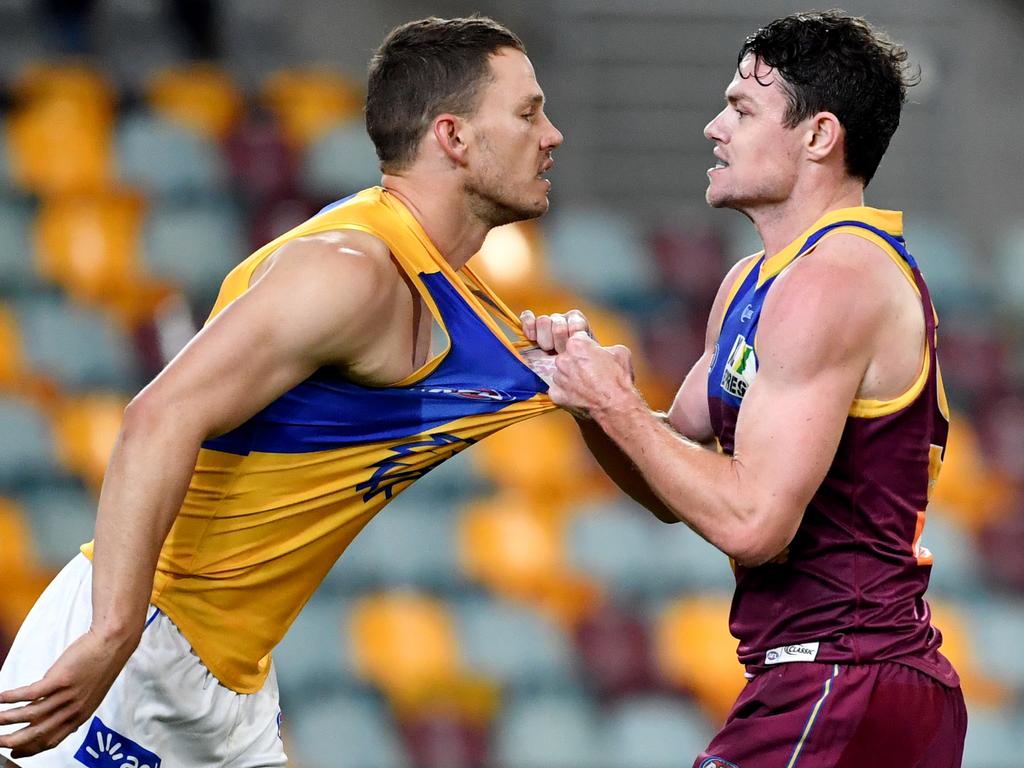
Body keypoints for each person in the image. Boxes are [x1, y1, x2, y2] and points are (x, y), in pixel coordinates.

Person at [0, 15, 563, 765]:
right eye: (527, 113)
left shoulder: (464, 302)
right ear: (454, 137)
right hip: (138, 650)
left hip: (232, 687)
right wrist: (111, 633)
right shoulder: (350, 268)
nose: (551, 134)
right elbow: (156, 416)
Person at [524, 10, 966, 767]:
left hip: (846, 678)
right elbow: (674, 483)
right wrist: (590, 398)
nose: (712, 128)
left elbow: (756, 523)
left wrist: (617, 405)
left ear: (820, 135)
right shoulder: (752, 283)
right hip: (829, 681)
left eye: (740, 109)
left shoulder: (836, 277)